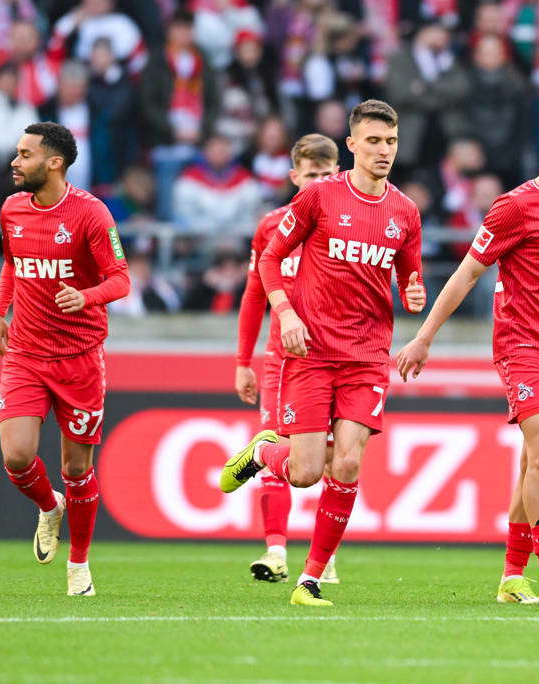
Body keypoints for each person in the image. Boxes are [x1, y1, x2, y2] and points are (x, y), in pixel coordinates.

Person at [396, 106, 539, 605]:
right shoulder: (513, 208)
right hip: (523, 348)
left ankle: (513, 577)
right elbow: (468, 272)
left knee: (534, 465)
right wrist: (424, 336)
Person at [219, 100, 425, 608]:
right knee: (307, 470)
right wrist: (286, 314)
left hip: (367, 357)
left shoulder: (405, 211)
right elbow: (269, 260)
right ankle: (264, 453)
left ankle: (308, 580)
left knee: (349, 463)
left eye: (391, 142)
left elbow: (408, 274)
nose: (384, 151)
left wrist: (414, 291)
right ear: (352, 145)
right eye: (374, 141)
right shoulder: (318, 199)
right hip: (310, 353)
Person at [0, 122, 130, 596]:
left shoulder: (91, 214)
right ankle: (49, 506)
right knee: (16, 454)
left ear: (54, 162)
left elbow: (121, 279)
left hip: (80, 357)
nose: (14, 161)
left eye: (25, 154)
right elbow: (12, 263)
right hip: (26, 352)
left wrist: (86, 297)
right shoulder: (12, 209)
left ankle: (79, 566)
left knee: (76, 469)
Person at [235, 133, 340, 584]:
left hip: (340, 355)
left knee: (333, 458)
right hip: (283, 358)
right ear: (294, 176)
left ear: (338, 173)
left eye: (326, 173)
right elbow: (254, 294)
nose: (318, 181)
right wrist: (243, 360)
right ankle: (275, 551)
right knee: (281, 442)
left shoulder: (348, 222)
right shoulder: (273, 226)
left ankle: (325, 557)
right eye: (310, 174)